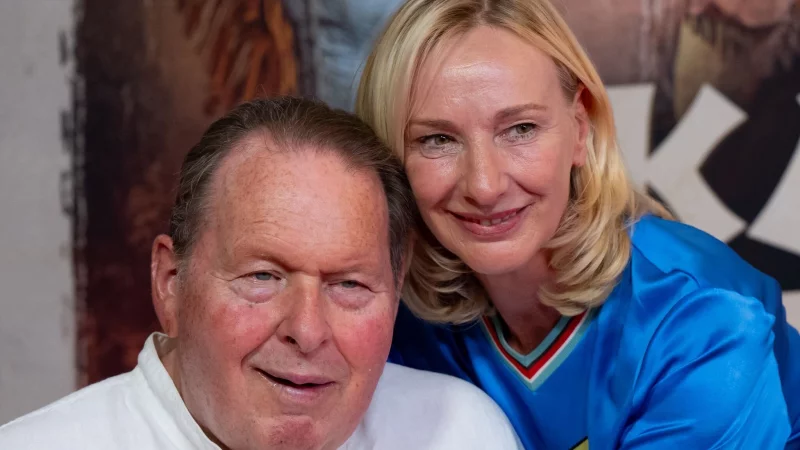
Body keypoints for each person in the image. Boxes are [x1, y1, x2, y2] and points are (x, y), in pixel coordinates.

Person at [355, 0, 800, 448]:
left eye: (521, 129)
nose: (485, 185)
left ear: (580, 128)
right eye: (437, 139)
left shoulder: (703, 314)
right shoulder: (394, 320)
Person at [0, 97, 522, 450]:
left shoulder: (458, 433)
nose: (308, 329)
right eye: (263, 277)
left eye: (349, 285)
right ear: (171, 283)